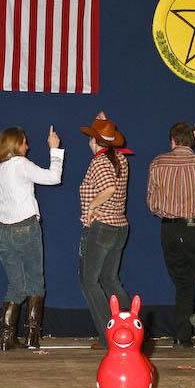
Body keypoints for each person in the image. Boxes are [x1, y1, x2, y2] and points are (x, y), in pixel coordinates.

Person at [0, 126, 64, 350]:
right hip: (27, 227)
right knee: (36, 283)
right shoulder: (20, 164)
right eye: (25, 142)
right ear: (15, 144)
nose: (28, 146)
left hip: (4, 231)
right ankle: (32, 337)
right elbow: (54, 177)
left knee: (15, 285)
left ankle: (7, 338)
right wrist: (54, 149)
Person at [147, 122, 195, 348]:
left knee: (183, 283)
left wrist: (166, 211)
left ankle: (181, 337)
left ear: (172, 140)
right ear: (192, 140)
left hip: (169, 230)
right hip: (194, 228)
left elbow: (151, 202)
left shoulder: (158, 162)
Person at [78, 111, 132, 349]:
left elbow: (108, 188)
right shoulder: (120, 159)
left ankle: (110, 336)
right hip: (119, 226)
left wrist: (91, 207)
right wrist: (102, 123)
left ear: (93, 140)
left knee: (89, 281)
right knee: (110, 279)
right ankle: (129, 329)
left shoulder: (99, 162)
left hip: (102, 227)